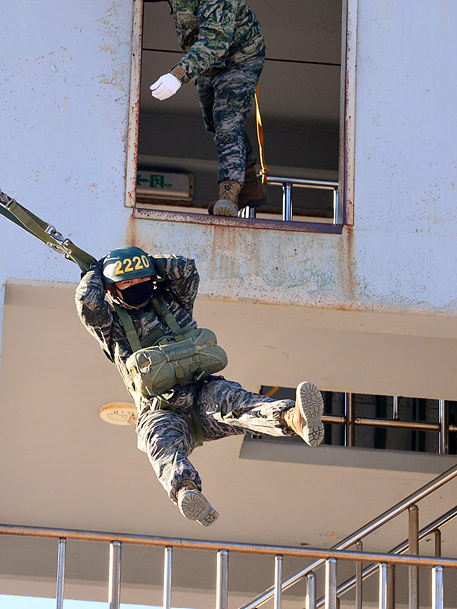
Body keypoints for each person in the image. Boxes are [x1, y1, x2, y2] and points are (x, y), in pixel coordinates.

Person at [75, 246, 324, 526]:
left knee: (236, 403)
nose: (137, 286)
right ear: (113, 289)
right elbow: (88, 301)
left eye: (142, 279)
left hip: (204, 392)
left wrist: (145, 263)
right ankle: (186, 491)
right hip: (161, 409)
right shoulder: (112, 327)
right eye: (128, 283)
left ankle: (293, 419)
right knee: (160, 442)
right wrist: (98, 271)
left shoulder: (172, 302)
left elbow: (185, 269)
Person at [148, 0, 267, 217]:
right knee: (215, 122)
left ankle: (229, 194)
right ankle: (251, 186)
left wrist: (178, 75)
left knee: (227, 121)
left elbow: (215, 41)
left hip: (239, 58)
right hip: (209, 65)